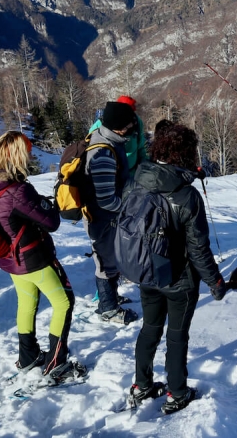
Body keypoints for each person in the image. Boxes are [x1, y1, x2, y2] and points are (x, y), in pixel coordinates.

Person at [0, 131, 85, 381]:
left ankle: (28, 356)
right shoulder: (17, 190)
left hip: (7, 258)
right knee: (64, 302)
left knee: (27, 302)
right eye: (27, 153)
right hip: (33, 257)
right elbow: (51, 222)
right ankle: (56, 364)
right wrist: (44, 203)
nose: (29, 158)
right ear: (17, 156)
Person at [128, 124, 226, 415]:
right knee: (177, 335)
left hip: (146, 271)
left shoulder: (137, 180)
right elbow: (197, 249)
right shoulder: (187, 197)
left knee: (150, 328)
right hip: (179, 279)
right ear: (185, 153)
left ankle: (142, 385)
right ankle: (177, 392)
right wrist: (215, 281)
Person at [84, 101, 139, 324]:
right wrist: (129, 209)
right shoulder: (103, 153)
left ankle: (112, 298)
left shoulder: (107, 139)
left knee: (113, 258)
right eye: (129, 125)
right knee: (106, 262)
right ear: (118, 127)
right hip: (103, 219)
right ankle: (107, 308)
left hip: (109, 218)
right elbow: (106, 200)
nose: (133, 129)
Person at [90, 95, 148, 174]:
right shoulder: (101, 124)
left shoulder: (137, 122)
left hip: (132, 173)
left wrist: (144, 166)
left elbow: (141, 147)